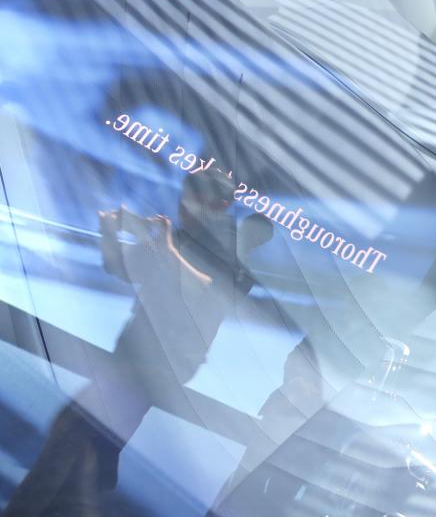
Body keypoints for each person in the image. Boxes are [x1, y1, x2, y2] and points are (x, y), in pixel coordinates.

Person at [2, 168, 272, 517]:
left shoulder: (228, 245)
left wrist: (166, 248)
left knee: (71, 435)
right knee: (89, 445)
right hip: (131, 354)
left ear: (218, 206)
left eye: (194, 203)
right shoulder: (175, 236)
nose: (185, 209)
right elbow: (120, 267)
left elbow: (213, 293)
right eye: (184, 201)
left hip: (157, 365)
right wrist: (111, 231)